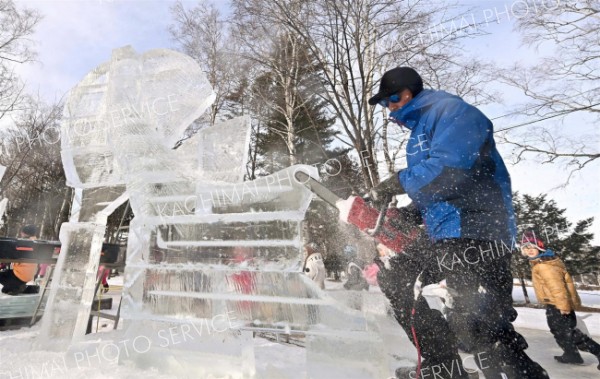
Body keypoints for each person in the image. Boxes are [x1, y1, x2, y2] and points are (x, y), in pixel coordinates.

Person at [350, 67, 548, 378]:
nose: (389, 108)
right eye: (384, 104)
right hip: (447, 228)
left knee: (476, 320)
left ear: (407, 93)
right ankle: (442, 366)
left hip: (476, 229)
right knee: (396, 277)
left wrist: (396, 182)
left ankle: (520, 373)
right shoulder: (419, 131)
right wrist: (410, 213)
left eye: (391, 100)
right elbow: (440, 188)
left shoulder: (454, 112)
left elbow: (451, 170)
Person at [521, 231, 600, 370]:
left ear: (539, 248)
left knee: (568, 333)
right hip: (555, 303)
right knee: (561, 331)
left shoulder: (544, 266)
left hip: (557, 304)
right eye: (526, 248)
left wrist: (563, 306)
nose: (529, 251)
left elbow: (558, 288)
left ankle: (591, 352)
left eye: (532, 247)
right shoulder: (544, 261)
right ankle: (571, 354)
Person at [0, 224, 39, 295]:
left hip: (20, 274)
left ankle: (22, 287)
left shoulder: (24, 243)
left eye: (21, 232)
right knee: (5, 290)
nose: (21, 233)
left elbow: (13, 255)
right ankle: (22, 287)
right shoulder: (36, 242)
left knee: (3, 278)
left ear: (24, 233)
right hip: (29, 274)